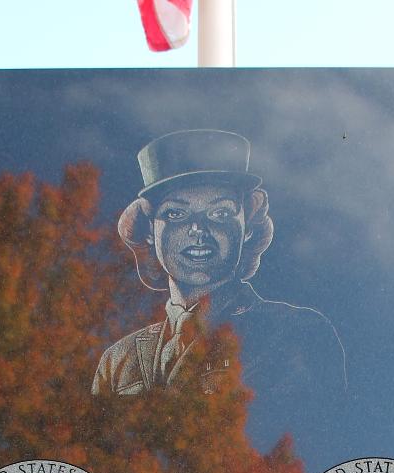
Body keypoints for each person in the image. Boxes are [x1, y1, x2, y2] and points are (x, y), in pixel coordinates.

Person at [92, 129, 346, 402]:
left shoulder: (297, 333)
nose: (197, 229)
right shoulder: (117, 361)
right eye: (176, 213)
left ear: (247, 225)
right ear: (150, 231)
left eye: (220, 212)